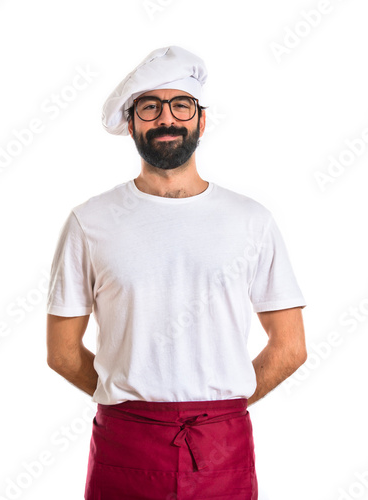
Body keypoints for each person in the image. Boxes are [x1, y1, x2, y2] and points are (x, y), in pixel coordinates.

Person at [46, 45, 307, 500]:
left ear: (201, 120)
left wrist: (221, 406)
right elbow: (62, 351)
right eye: (149, 106)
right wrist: (131, 399)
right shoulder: (90, 221)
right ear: (131, 124)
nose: (166, 118)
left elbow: (290, 346)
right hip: (125, 445)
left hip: (222, 447)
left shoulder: (251, 220)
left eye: (180, 104)